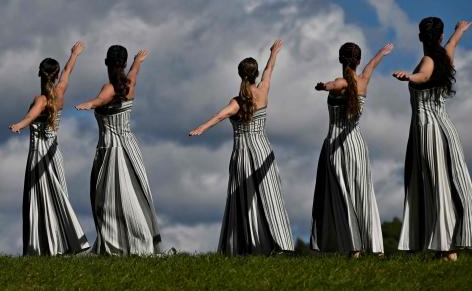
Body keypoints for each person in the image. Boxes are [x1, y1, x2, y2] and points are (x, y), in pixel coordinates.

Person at [189, 40, 294, 255]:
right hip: (264, 150)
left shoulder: (237, 101)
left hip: (244, 153)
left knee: (244, 197)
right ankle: (279, 244)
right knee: (269, 195)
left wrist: (202, 127)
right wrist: (274, 53)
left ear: (240, 75)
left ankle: (247, 246)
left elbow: (221, 115)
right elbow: (269, 69)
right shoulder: (263, 91)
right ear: (255, 74)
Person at [393, 18, 472, 261]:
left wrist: (409, 77)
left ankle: (448, 248)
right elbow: (453, 42)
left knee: (435, 184)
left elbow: (424, 76)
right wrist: (460, 30)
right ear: (440, 37)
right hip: (445, 127)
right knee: (446, 182)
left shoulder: (428, 61)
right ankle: (443, 246)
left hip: (427, 129)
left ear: (420, 38)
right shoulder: (446, 55)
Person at [75, 45, 162, 255]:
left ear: (106, 62)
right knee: (133, 196)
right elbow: (134, 71)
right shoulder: (129, 82)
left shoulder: (108, 88)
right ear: (123, 63)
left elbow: (102, 99)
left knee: (108, 200)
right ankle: (138, 239)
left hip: (111, 150)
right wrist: (138, 60)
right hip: (129, 148)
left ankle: (123, 243)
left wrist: (91, 103)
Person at [310, 42, 393, 257]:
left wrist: (324, 87)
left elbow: (334, 84)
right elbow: (371, 65)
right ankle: (375, 248)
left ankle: (353, 248)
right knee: (363, 194)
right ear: (358, 61)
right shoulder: (363, 80)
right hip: (357, 145)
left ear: (340, 59)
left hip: (337, 145)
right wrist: (381, 53)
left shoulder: (341, 82)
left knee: (343, 195)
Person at [9, 41, 90, 255]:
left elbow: (31, 115)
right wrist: (74, 54)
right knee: (58, 196)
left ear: (39, 73)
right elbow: (68, 70)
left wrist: (19, 124)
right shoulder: (60, 91)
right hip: (55, 153)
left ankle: (42, 247)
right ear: (54, 75)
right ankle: (62, 243)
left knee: (39, 200)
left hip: (38, 155)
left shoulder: (41, 99)